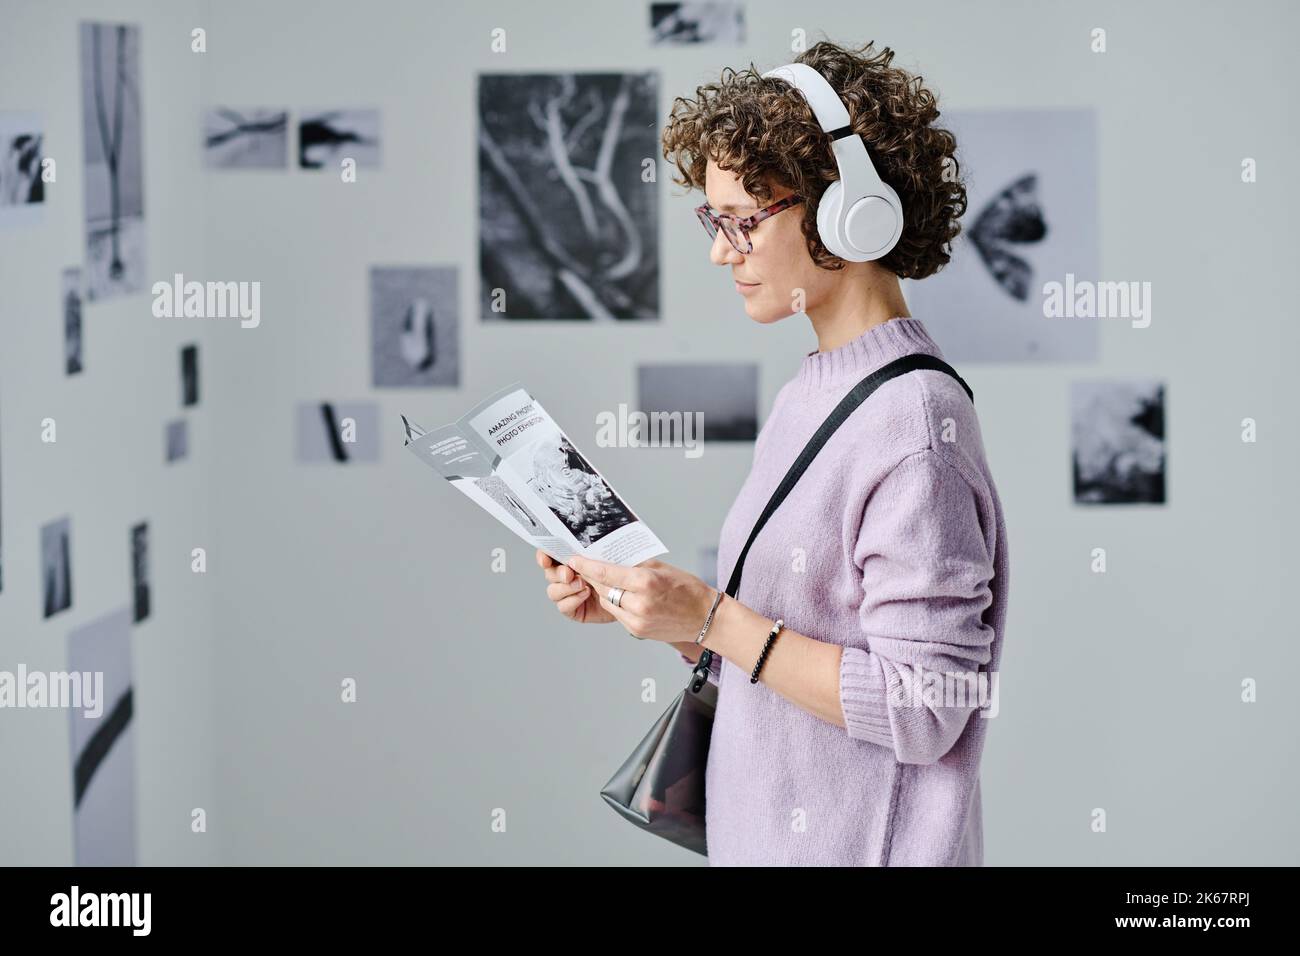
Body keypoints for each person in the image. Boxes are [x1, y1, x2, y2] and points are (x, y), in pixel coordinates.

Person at [538, 39, 1009, 866]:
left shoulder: (917, 424)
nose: (722, 251)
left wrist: (713, 616)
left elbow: (926, 706)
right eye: (713, 221)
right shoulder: (810, 394)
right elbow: (795, 644)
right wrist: (668, 616)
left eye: (741, 221)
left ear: (845, 212)